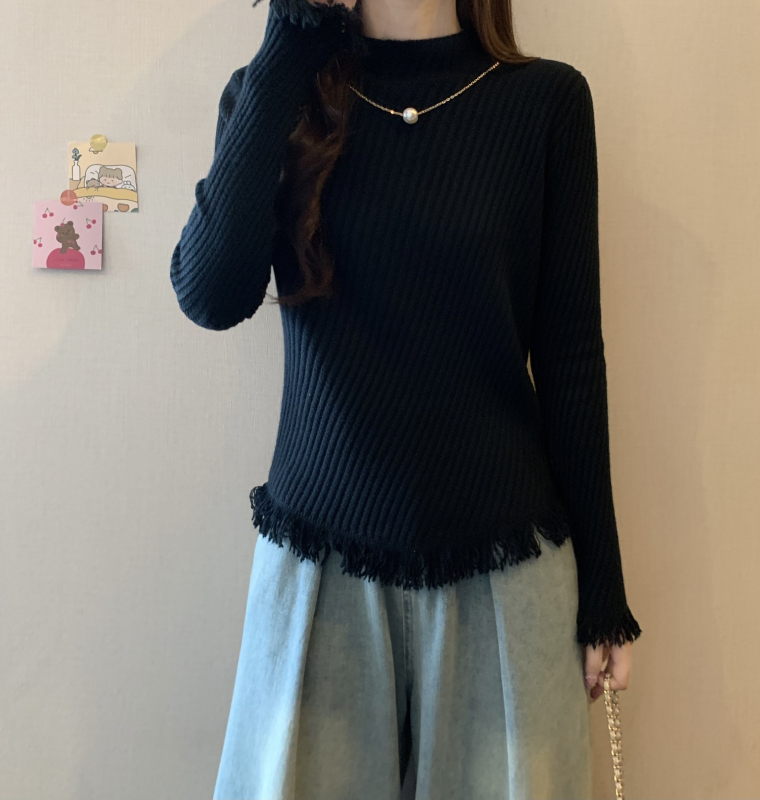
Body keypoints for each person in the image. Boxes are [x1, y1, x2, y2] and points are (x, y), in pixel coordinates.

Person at [170, 0, 642, 796]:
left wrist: (603, 590)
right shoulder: (275, 92)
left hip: (505, 565)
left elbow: (569, 359)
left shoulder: (546, 103)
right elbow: (211, 295)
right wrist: (294, 32)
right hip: (319, 564)